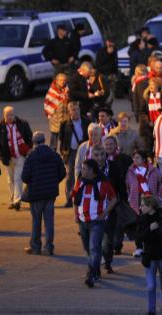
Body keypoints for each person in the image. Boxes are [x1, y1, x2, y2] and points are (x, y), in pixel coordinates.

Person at [72, 159, 118, 287]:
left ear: (92, 170)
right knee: (88, 249)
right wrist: (75, 214)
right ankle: (96, 270)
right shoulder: (80, 181)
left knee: (94, 248)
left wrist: (103, 214)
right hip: (82, 221)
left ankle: (91, 274)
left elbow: (114, 199)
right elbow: (75, 199)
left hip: (96, 222)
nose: (82, 171)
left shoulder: (104, 183)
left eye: (85, 169)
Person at [21, 132, 66, 256]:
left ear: (34, 142)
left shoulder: (31, 157)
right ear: (44, 140)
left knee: (36, 221)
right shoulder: (54, 155)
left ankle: (35, 247)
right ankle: (48, 248)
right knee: (49, 221)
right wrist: (53, 181)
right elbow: (62, 173)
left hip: (35, 193)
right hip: (50, 193)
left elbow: (24, 177)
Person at [134, 195, 162, 315]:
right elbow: (138, 237)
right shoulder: (142, 219)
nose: (140, 207)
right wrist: (149, 230)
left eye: (143, 205)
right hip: (150, 257)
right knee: (151, 286)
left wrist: (159, 230)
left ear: (150, 206)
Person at [0, 106, 33, 212]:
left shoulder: (23, 124)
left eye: (11, 115)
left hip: (20, 155)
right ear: (4, 115)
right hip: (7, 156)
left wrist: (29, 148)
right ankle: (12, 200)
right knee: (10, 179)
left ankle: (17, 201)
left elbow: (30, 137)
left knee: (18, 178)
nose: (10, 117)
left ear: (14, 115)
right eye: (7, 115)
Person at [59, 102, 90, 207]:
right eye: (73, 110)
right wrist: (63, 153)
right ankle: (69, 199)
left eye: (77, 109)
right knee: (70, 176)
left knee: (85, 173)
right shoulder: (65, 124)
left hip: (84, 151)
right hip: (71, 152)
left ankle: (83, 196)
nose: (75, 112)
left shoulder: (86, 121)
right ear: (69, 111)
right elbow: (62, 139)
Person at [44, 73, 69, 151]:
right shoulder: (52, 92)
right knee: (54, 141)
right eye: (61, 80)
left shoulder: (68, 91)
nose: (63, 82)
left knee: (64, 140)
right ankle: (52, 154)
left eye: (64, 80)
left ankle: (64, 154)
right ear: (57, 81)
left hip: (65, 119)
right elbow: (47, 105)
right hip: (55, 120)